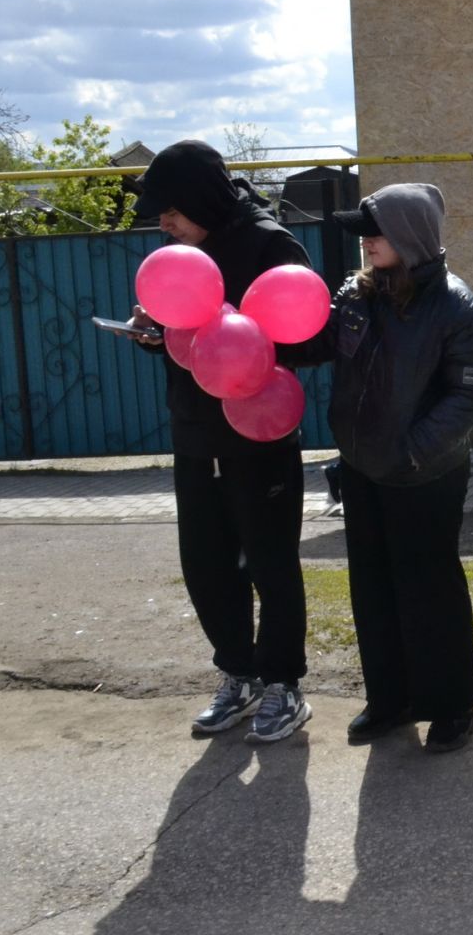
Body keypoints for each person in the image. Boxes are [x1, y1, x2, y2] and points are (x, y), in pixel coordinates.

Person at [126, 140, 317, 744]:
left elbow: (311, 336)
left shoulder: (268, 244)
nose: (164, 223)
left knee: (271, 562)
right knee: (205, 565)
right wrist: (154, 332)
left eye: (171, 210)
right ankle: (237, 674)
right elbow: (183, 330)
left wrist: (244, 335)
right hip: (195, 435)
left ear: (200, 199)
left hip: (259, 437)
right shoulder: (180, 256)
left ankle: (283, 683)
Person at [328, 184, 473, 752]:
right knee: (373, 588)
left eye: (376, 230)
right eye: (365, 232)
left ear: (410, 235)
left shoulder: (457, 305)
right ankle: (389, 699)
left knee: (429, 589)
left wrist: (411, 449)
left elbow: (469, 397)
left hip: (425, 473)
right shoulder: (356, 293)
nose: (367, 241)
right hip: (364, 467)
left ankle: (453, 708)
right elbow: (307, 343)